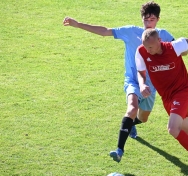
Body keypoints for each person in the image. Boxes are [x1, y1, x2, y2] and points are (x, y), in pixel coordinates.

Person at [63, 2, 175, 163]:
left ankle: (131, 124)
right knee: (132, 108)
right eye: (146, 19)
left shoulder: (164, 35)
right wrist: (77, 24)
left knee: (143, 118)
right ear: (141, 19)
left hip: (151, 86)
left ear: (158, 19)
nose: (148, 23)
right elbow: (105, 31)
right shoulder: (131, 32)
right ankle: (119, 150)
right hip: (133, 81)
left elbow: (178, 50)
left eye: (152, 19)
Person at [135, 28, 188, 175]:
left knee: (173, 129)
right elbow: (141, 73)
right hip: (167, 97)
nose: (147, 49)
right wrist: (142, 84)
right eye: (145, 46)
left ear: (159, 42)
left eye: (150, 46)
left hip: (183, 91)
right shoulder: (141, 51)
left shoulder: (174, 46)